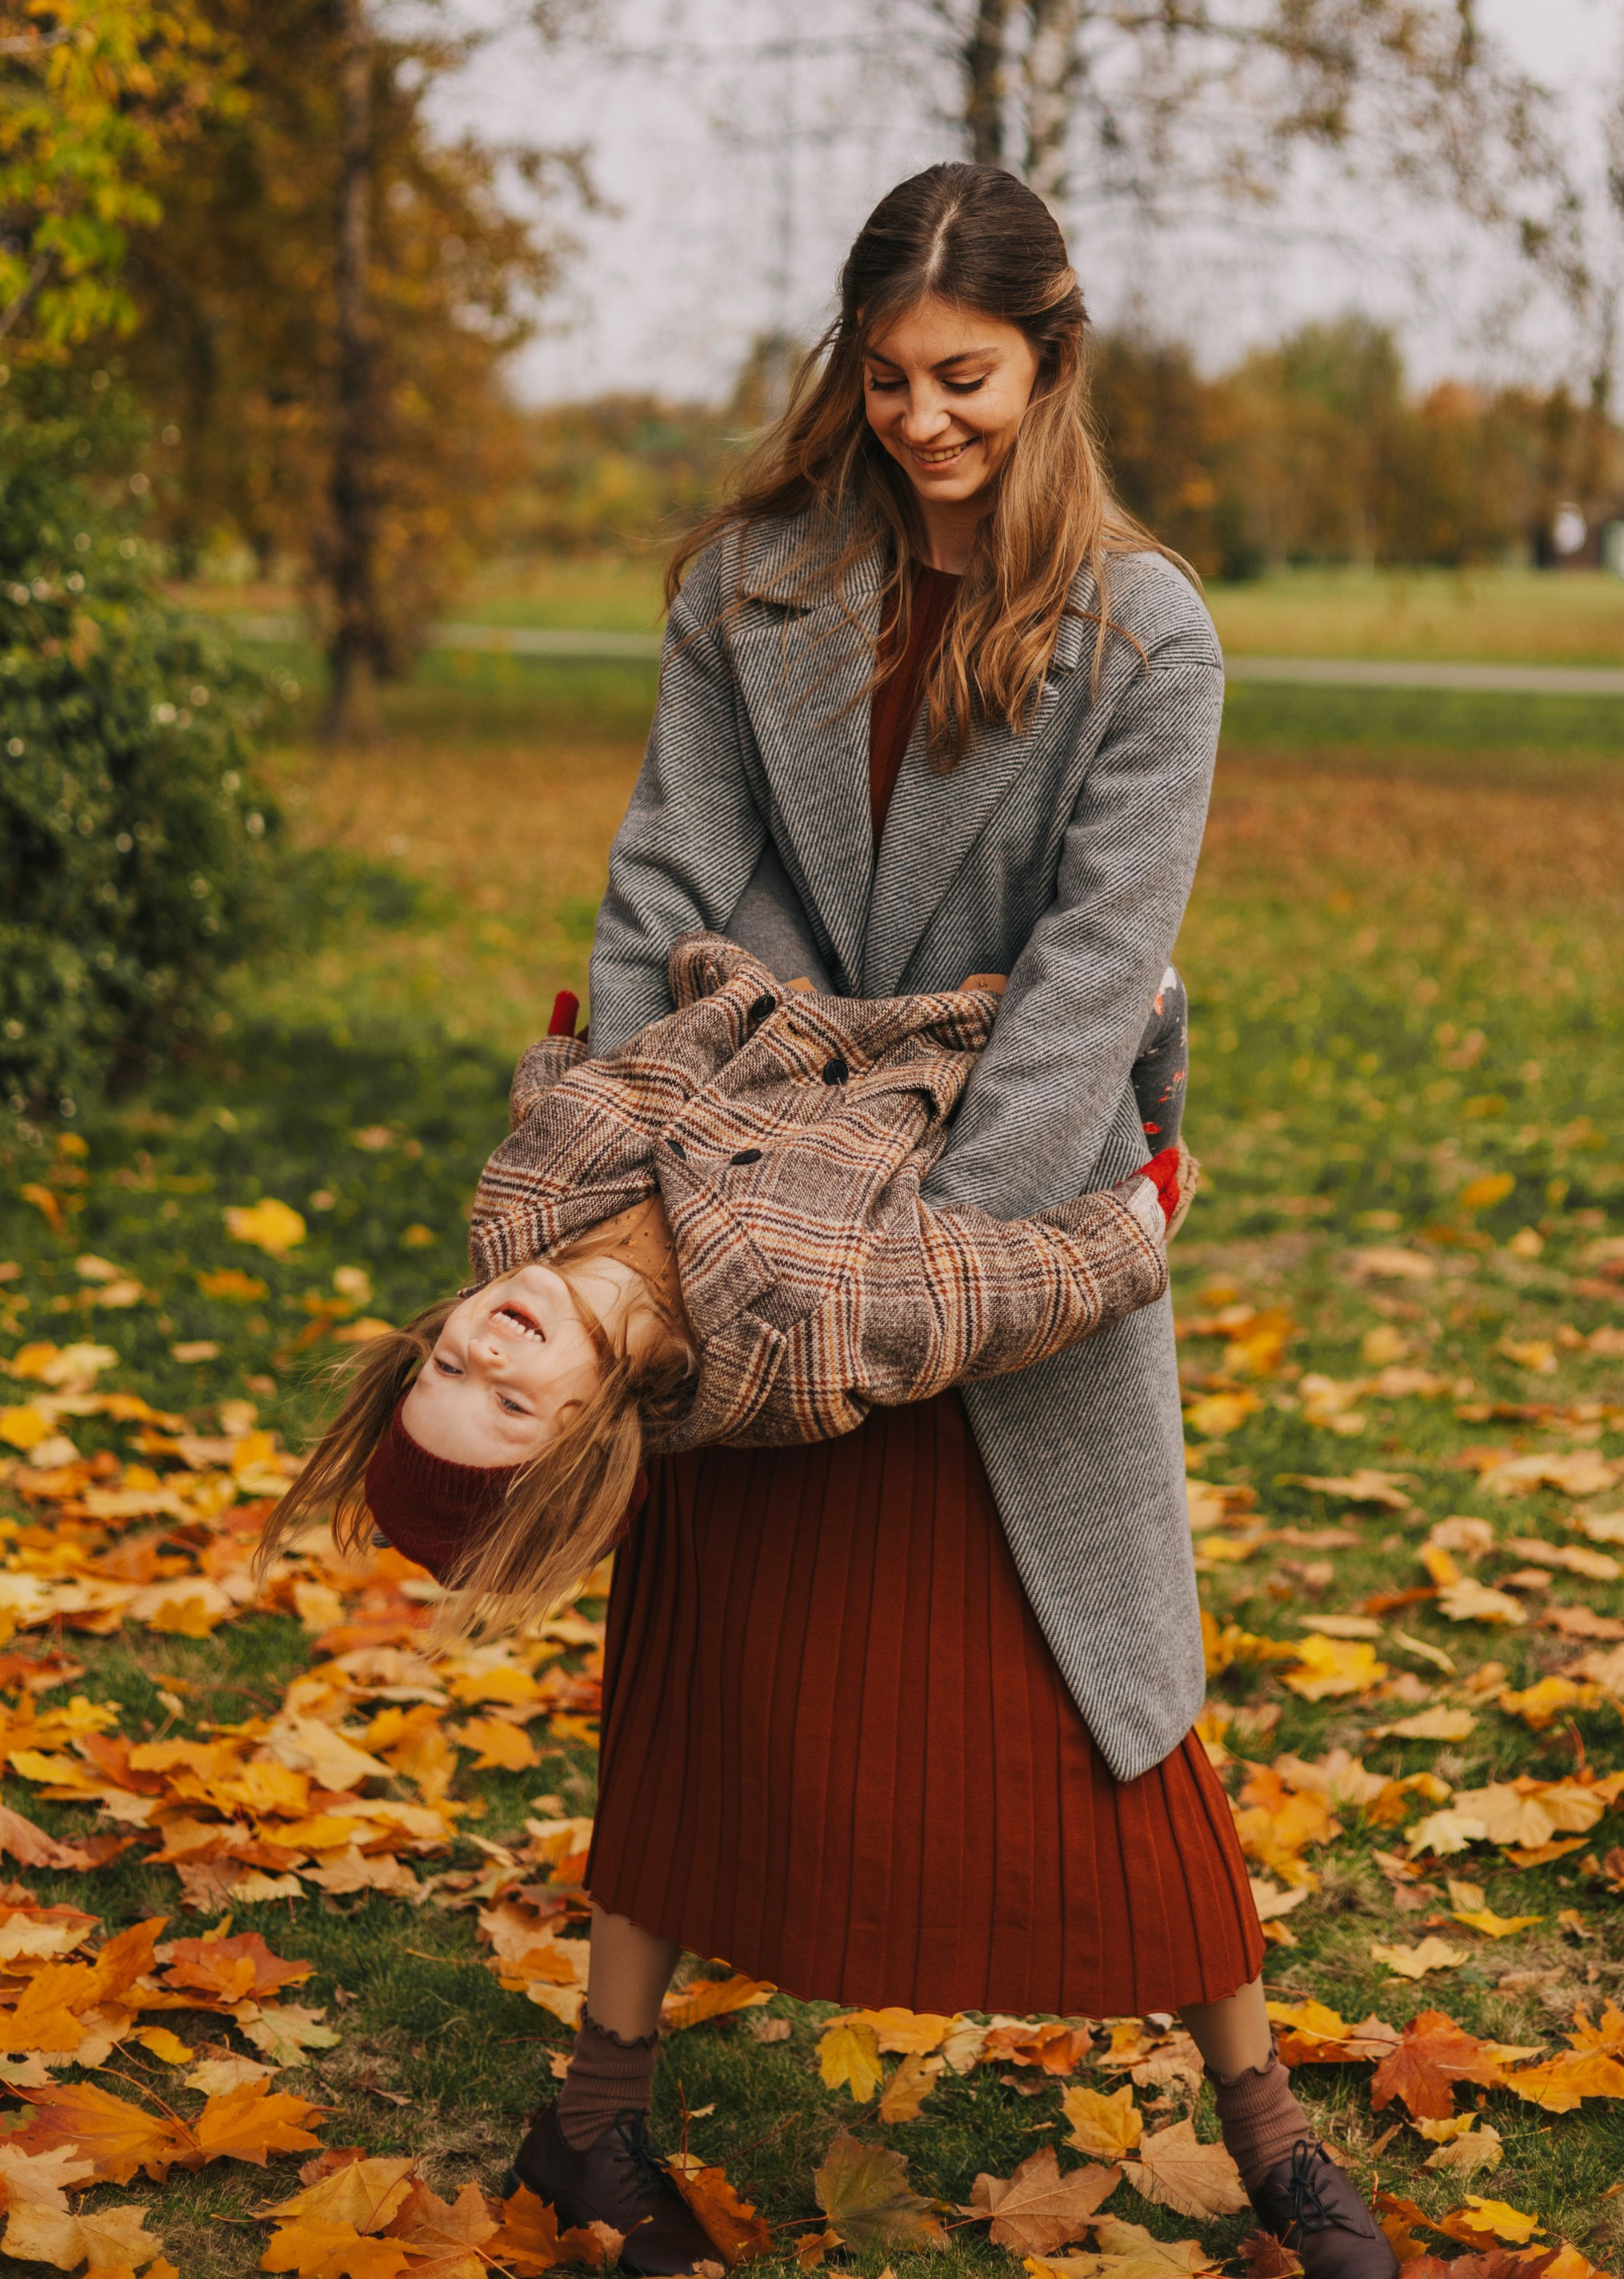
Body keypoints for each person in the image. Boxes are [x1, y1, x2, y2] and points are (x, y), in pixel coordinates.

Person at [514, 165, 1398, 2279]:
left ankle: (1264, 2126)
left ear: (1054, 364)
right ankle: (593, 2122)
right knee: (713, 1671)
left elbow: (1100, 972)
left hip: (1005, 1228)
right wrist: (639, 1181)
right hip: (748, 1202)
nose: (924, 419)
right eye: (891, 377)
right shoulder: (754, 590)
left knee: (1114, 1691)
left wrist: (928, 1281)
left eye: (969, 377)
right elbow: (666, 889)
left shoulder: (1144, 633)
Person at [257, 936, 1183, 1625]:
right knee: (1140, 994)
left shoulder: (515, 1216)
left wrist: (555, 1055)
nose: (484, 1351)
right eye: (508, 1406)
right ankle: (1153, 1118)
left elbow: (552, 1116)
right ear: (585, 1439)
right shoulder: (786, 1333)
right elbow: (974, 1297)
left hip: (742, 983)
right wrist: (1130, 1229)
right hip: (930, 1045)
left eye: (446, 1372)